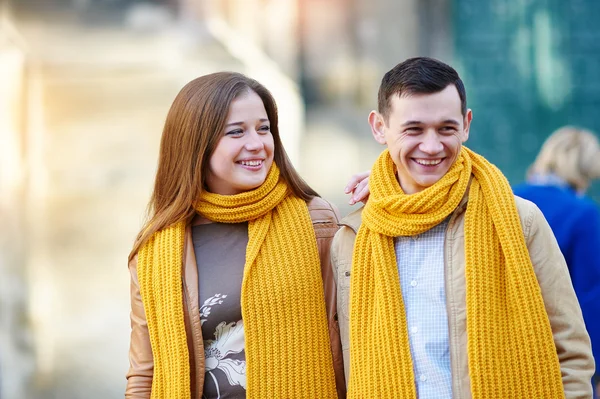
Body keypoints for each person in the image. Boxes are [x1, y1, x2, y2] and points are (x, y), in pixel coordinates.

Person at [331, 57, 595, 398]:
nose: (431, 146)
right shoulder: (352, 237)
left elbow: (570, 351)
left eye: (446, 128)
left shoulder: (520, 220)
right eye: (414, 129)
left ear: (466, 124)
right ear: (380, 127)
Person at [125, 71, 367, 398]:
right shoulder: (156, 251)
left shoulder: (316, 221)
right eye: (236, 132)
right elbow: (144, 374)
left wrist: (390, 195)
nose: (256, 144)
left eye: (263, 128)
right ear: (195, 143)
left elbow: (358, 333)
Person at [513, 126, 600, 397]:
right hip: (557, 356)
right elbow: (590, 300)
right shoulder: (584, 215)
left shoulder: (508, 197)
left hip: (504, 350)